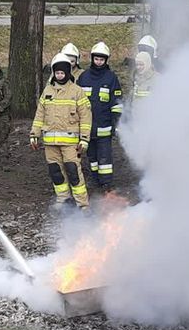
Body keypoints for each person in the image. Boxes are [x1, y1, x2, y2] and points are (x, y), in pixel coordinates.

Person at [30, 53, 92, 209]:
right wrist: (34, 134)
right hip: (50, 142)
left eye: (62, 72)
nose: (59, 75)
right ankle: (63, 200)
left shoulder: (77, 91)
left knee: (73, 171)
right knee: (55, 172)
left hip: (71, 143)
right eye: (57, 72)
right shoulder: (47, 91)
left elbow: (86, 116)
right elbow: (40, 114)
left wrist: (84, 139)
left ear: (68, 72)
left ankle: (82, 204)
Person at [76, 41, 123, 193]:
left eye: (102, 59)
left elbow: (117, 102)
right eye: (96, 59)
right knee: (92, 156)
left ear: (106, 60)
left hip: (104, 126)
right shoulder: (83, 77)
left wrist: (116, 121)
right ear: (92, 58)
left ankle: (106, 184)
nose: (99, 62)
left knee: (105, 158)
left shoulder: (111, 78)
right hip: (87, 127)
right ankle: (95, 178)